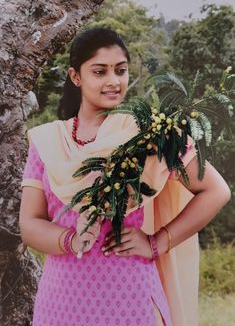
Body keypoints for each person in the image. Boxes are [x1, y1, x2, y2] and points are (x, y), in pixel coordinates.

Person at [19, 27, 231, 326]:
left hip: (129, 298)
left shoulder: (148, 134)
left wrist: (158, 242)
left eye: (120, 70)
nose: (113, 81)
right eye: (100, 71)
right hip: (60, 301)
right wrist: (71, 238)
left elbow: (216, 191)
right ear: (76, 76)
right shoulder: (49, 142)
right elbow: (29, 224)